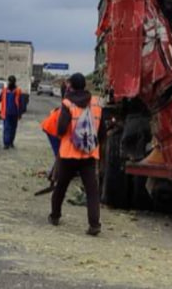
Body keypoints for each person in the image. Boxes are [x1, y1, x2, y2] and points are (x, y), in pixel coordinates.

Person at [49, 73, 105, 236]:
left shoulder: (67, 104)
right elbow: (101, 132)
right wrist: (93, 146)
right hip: (89, 155)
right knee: (92, 191)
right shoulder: (96, 103)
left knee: (61, 186)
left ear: (71, 86)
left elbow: (60, 129)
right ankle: (94, 225)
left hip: (68, 154)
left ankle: (55, 216)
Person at [0, 75, 25, 149]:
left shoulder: (18, 91)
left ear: (14, 82)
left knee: (13, 129)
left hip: (15, 113)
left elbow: (21, 103)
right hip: (6, 113)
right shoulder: (4, 90)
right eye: (9, 81)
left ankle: (11, 142)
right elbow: (0, 98)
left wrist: (20, 113)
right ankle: (6, 143)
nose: (10, 82)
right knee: (7, 128)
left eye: (12, 81)